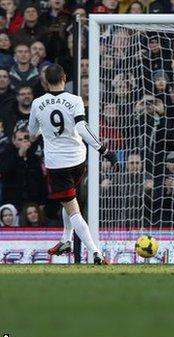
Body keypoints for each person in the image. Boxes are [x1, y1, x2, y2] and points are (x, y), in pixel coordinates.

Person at [27, 63, 117, 265]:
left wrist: (46, 131)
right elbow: (81, 127)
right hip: (78, 160)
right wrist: (104, 151)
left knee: (72, 209)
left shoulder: (37, 103)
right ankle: (65, 239)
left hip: (57, 163)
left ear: (45, 81)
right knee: (70, 201)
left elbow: (32, 132)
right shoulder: (75, 100)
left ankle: (96, 253)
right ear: (64, 78)